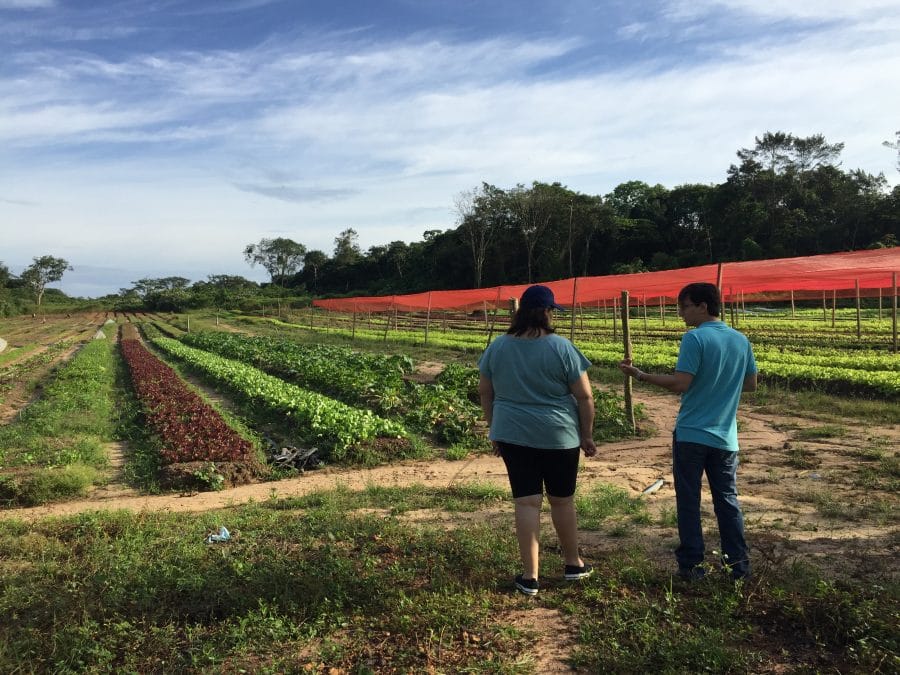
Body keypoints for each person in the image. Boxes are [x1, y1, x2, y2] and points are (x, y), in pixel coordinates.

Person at [618, 282, 757, 580]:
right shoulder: (740, 340)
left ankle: (692, 566)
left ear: (703, 306)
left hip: (692, 433)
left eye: (684, 306)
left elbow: (681, 383)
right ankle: (738, 567)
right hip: (726, 437)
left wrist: (640, 375)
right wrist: (721, 385)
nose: (681, 313)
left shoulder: (694, 338)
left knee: (689, 500)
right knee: (728, 501)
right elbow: (750, 384)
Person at [478, 284, 597, 596]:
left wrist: (495, 429)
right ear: (546, 312)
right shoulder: (561, 348)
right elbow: (585, 397)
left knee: (527, 501)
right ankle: (573, 564)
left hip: (513, 433)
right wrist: (586, 435)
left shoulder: (498, 347)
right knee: (562, 500)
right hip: (559, 435)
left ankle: (530, 577)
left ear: (520, 313)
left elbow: (486, 392)